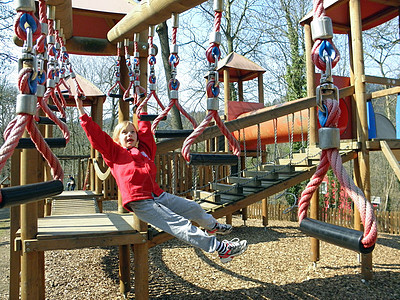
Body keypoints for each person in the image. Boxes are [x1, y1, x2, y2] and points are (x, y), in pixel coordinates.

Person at [75, 97, 247, 263]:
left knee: (193, 207)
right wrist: (82, 112)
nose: (129, 135)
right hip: (140, 202)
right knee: (179, 224)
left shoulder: (144, 151)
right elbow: (97, 136)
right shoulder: (114, 154)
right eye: (124, 133)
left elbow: (145, 132)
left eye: (132, 132)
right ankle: (221, 249)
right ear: (116, 139)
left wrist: (141, 105)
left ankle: (212, 226)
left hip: (158, 195)